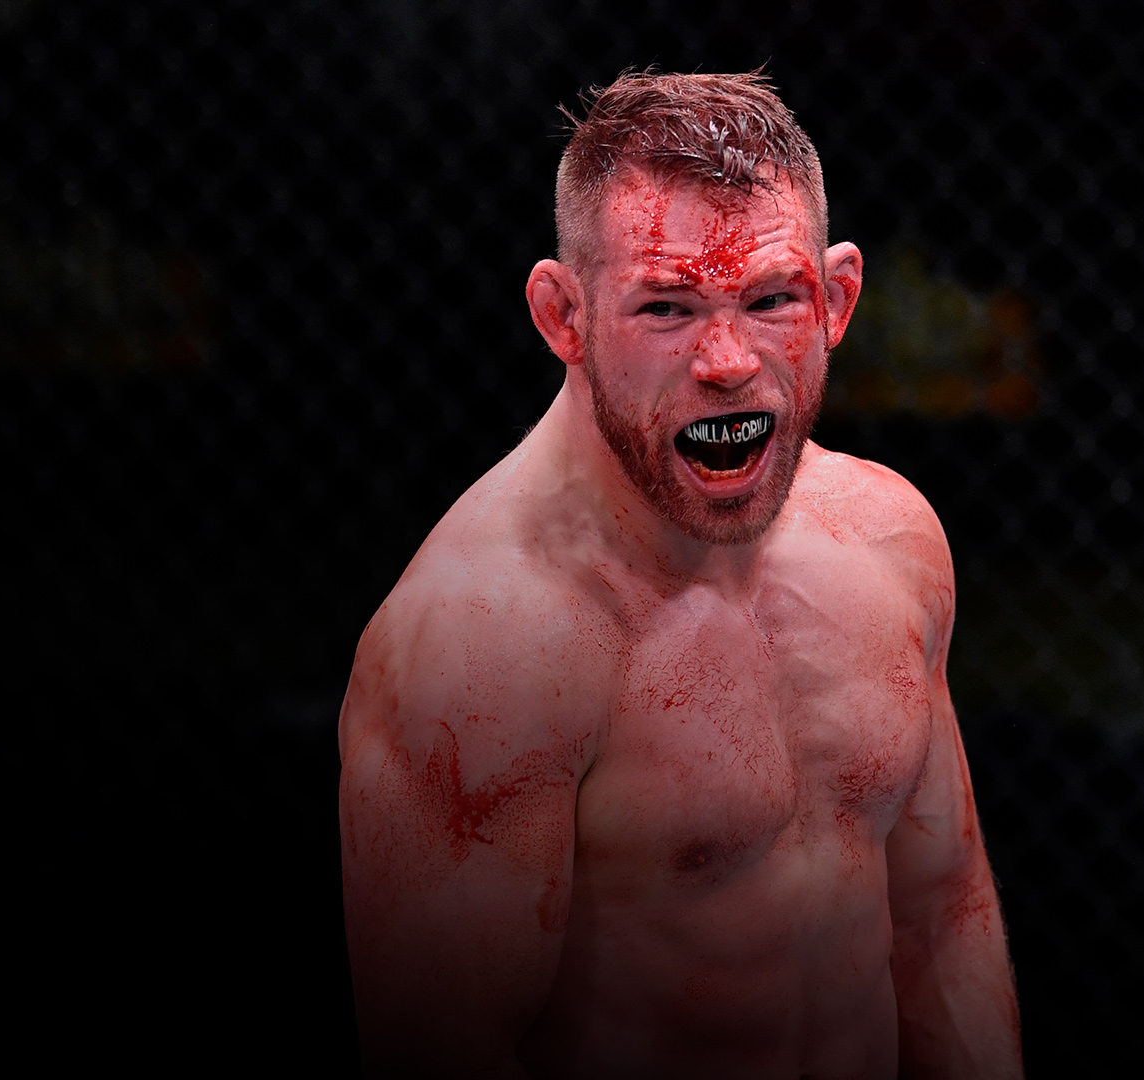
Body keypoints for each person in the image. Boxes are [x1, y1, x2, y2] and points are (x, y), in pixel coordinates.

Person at [336, 71, 1023, 1079]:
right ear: (562, 317)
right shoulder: (481, 645)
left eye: (772, 299)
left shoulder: (888, 536)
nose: (728, 361)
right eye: (666, 307)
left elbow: (942, 913)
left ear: (837, 298)